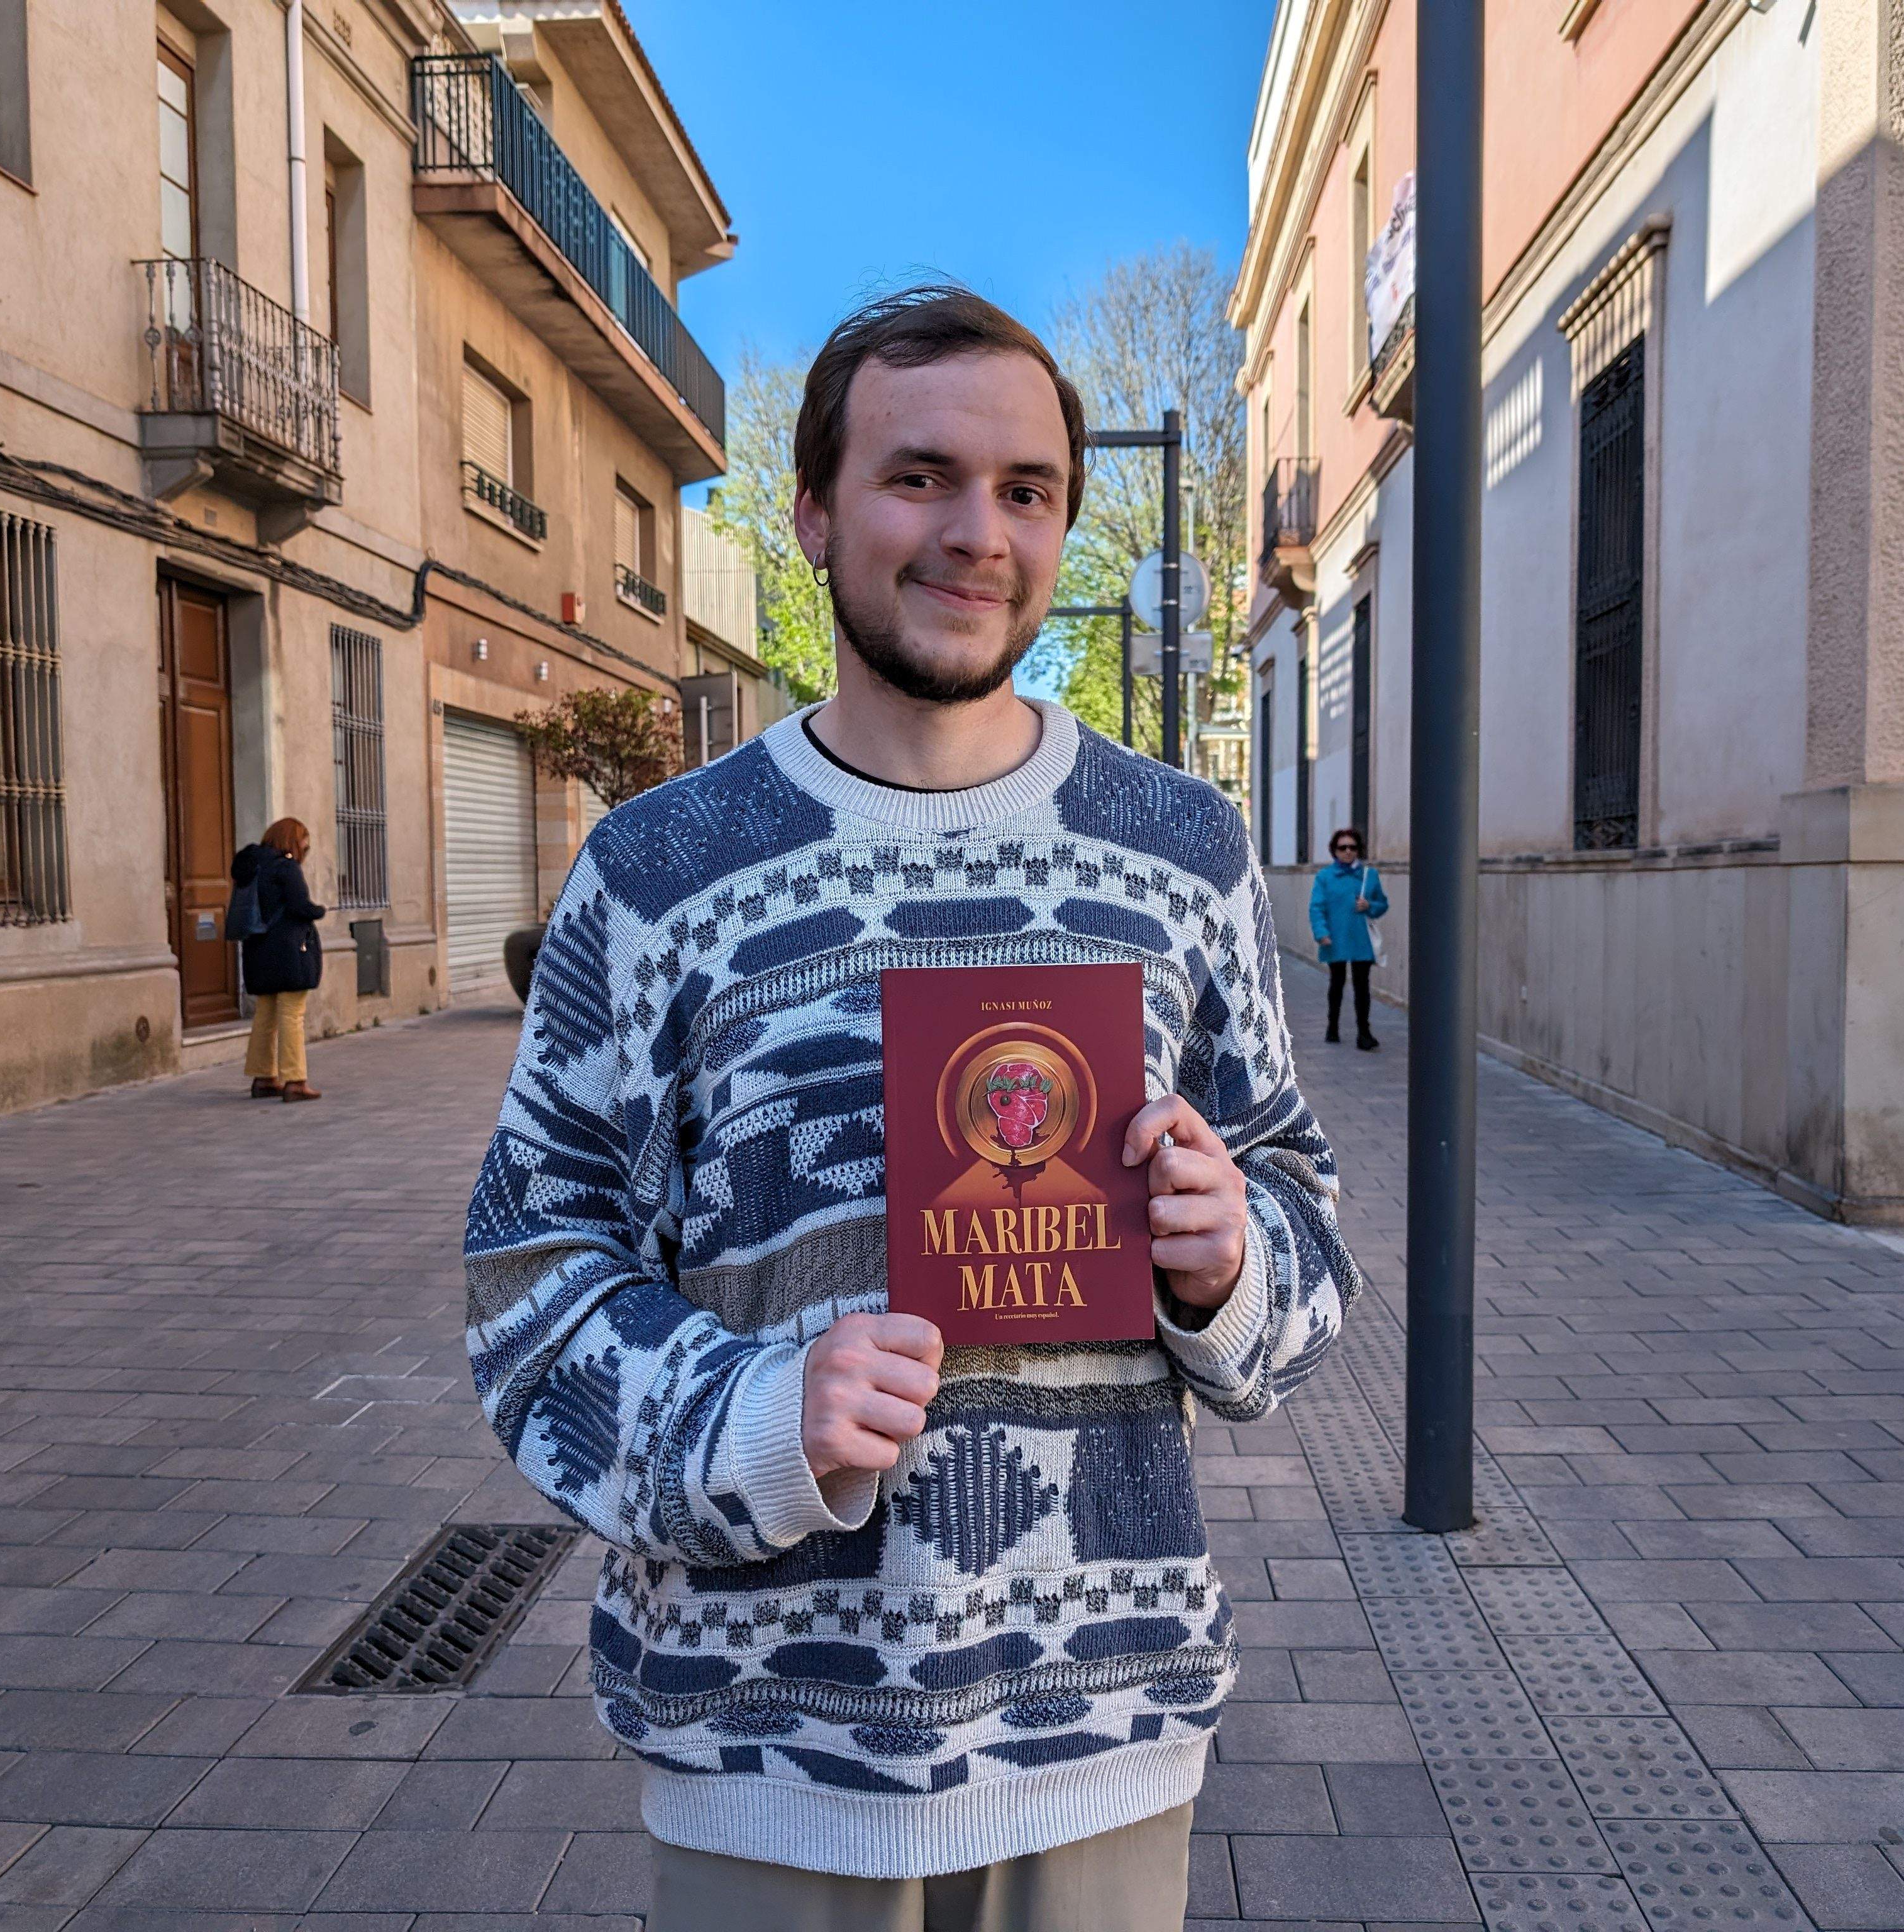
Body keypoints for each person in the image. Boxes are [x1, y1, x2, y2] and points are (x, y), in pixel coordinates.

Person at [462, 286, 1354, 1932]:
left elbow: (1300, 1209)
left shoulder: (1185, 852)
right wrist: (752, 1418)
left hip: (1105, 1737)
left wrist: (1232, 1266)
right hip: (763, 1757)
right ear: (811, 511)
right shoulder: (655, 874)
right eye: (918, 477)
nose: (977, 532)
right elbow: (530, 1281)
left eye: (1027, 492)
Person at [232, 817, 324, 1102]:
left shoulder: (251, 866)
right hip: (288, 951)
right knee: (291, 1015)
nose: (304, 849)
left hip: (258, 949)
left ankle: (263, 1078)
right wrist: (318, 910)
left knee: (266, 1015)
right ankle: (295, 1081)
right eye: (303, 842)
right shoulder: (286, 867)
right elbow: (299, 906)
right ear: (292, 840)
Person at [1309, 828, 1388, 1050]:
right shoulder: (1325, 877)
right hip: (1335, 938)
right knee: (1337, 984)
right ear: (1335, 851)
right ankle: (1332, 1027)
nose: (1348, 852)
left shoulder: (1368, 876)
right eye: (1342, 848)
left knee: (1362, 987)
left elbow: (1383, 904)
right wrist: (1321, 932)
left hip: (1361, 939)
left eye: (1352, 847)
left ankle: (1364, 1032)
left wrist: (1370, 906)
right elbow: (1317, 907)